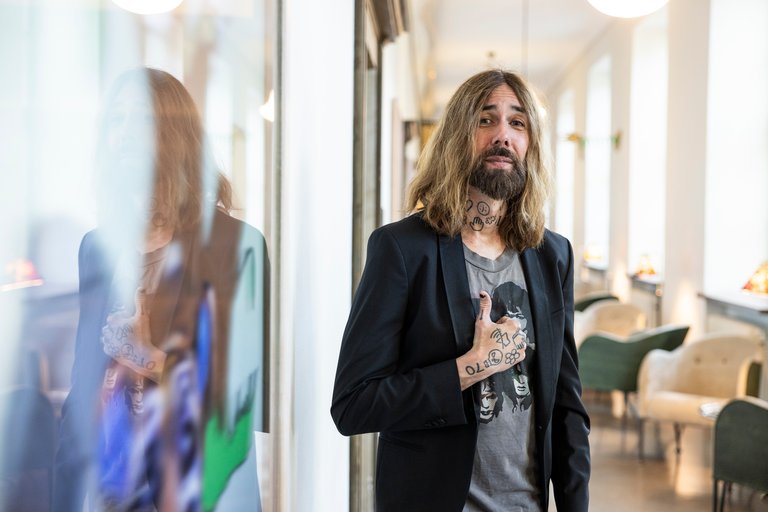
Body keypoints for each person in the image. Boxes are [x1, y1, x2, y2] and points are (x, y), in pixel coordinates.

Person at [331, 69, 590, 511]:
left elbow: (567, 405)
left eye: (518, 123)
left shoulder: (554, 255)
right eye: (485, 120)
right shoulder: (401, 249)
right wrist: (470, 365)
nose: (503, 135)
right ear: (456, 137)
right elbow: (354, 405)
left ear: (531, 145)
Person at [54, 67, 269, 512]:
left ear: (176, 135)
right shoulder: (96, 247)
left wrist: (150, 357)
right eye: (117, 120)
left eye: (143, 119)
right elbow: (83, 381)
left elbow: (250, 394)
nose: (126, 133)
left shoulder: (235, 244)